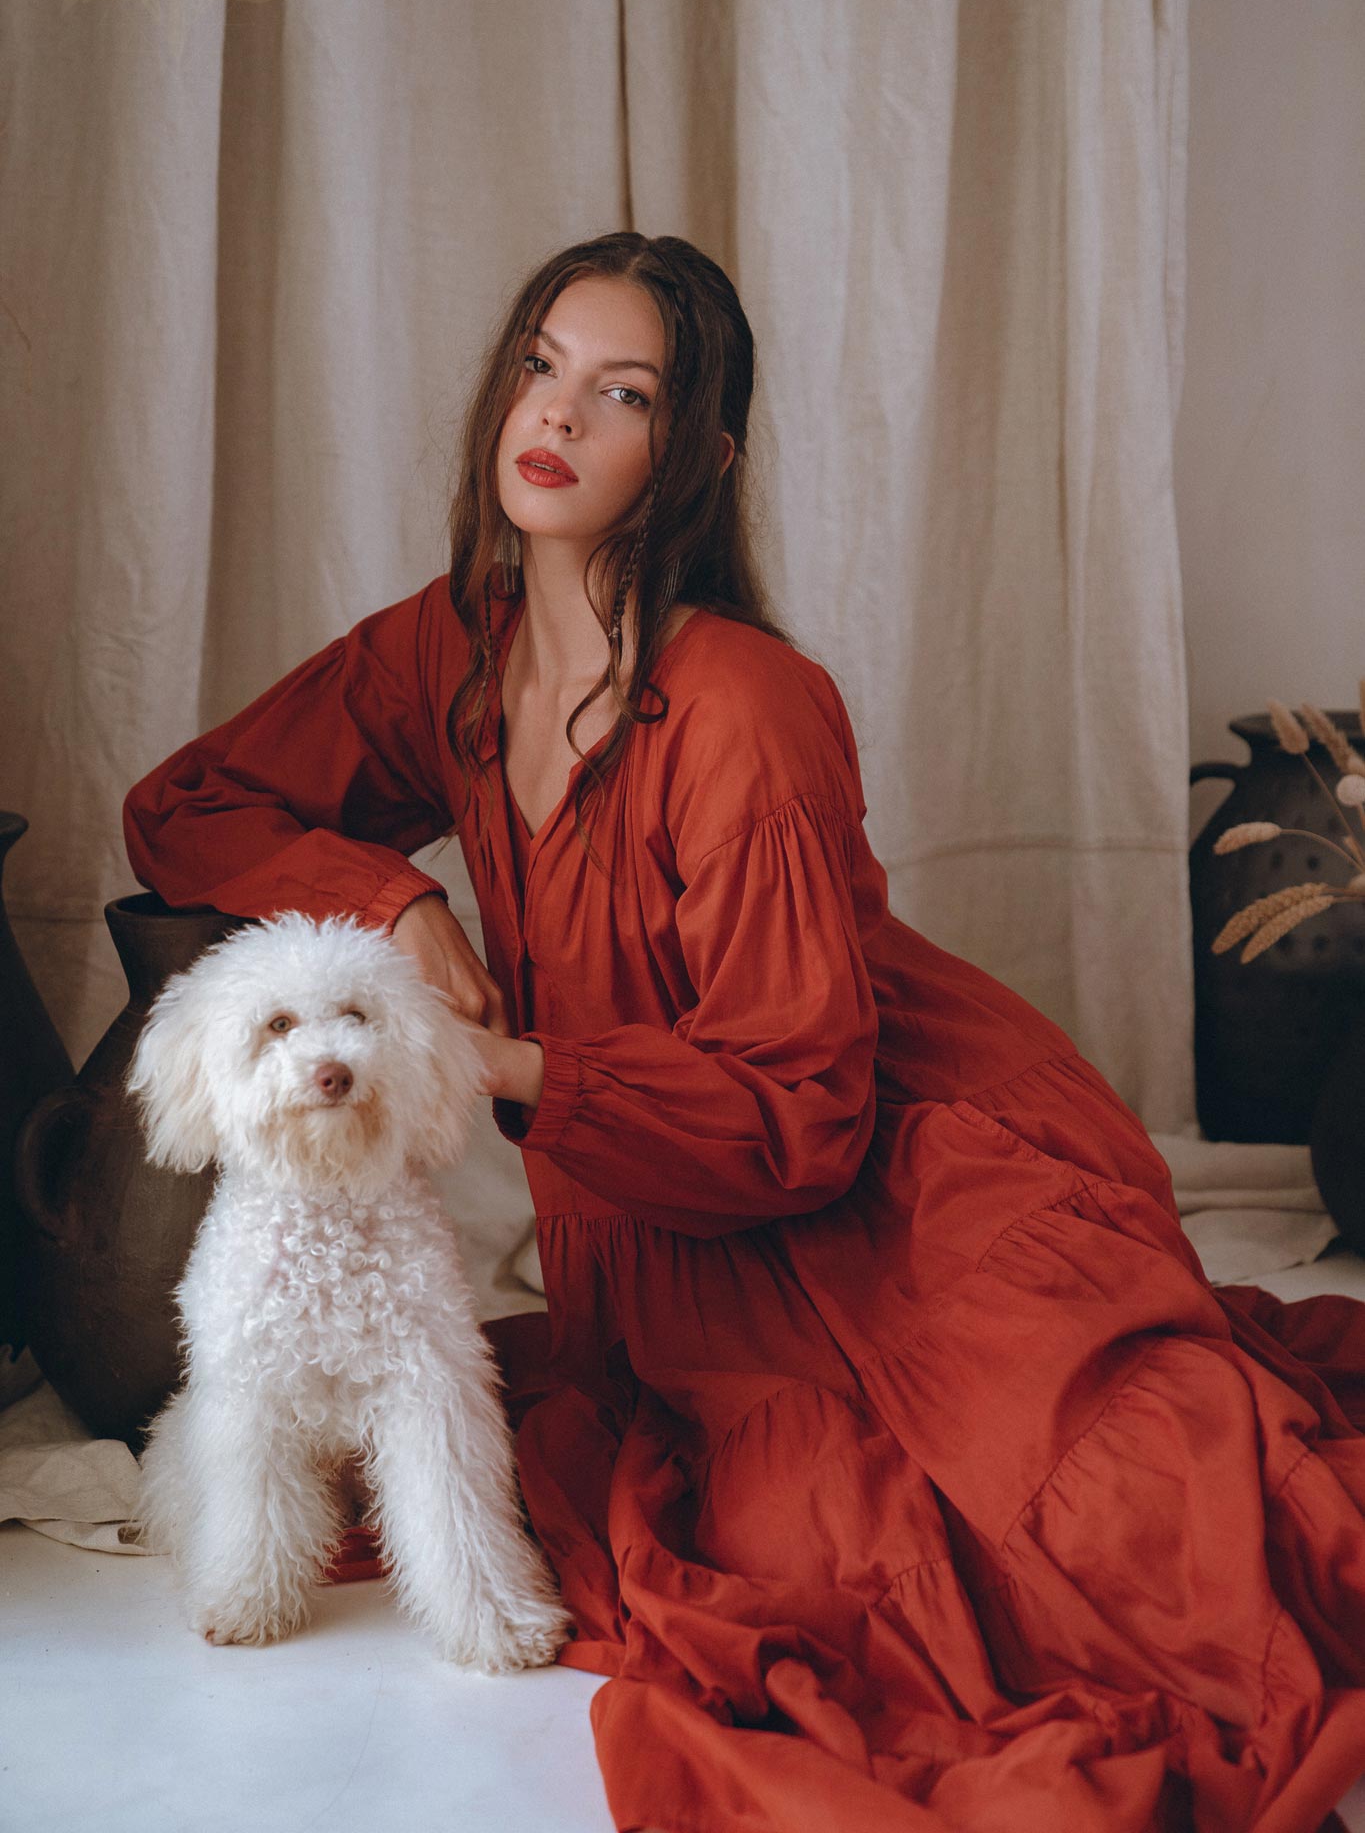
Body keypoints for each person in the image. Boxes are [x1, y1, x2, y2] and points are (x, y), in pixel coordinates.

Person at [124, 232, 1365, 1833]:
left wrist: (512, 1066)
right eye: (540, 366)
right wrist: (391, 896)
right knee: (778, 1521)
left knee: (1109, 1533)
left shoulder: (745, 703)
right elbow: (187, 804)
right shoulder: (449, 645)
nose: (555, 414)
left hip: (886, 1169)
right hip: (651, 1199)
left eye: (622, 393)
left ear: (697, 454)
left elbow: (802, 1120)